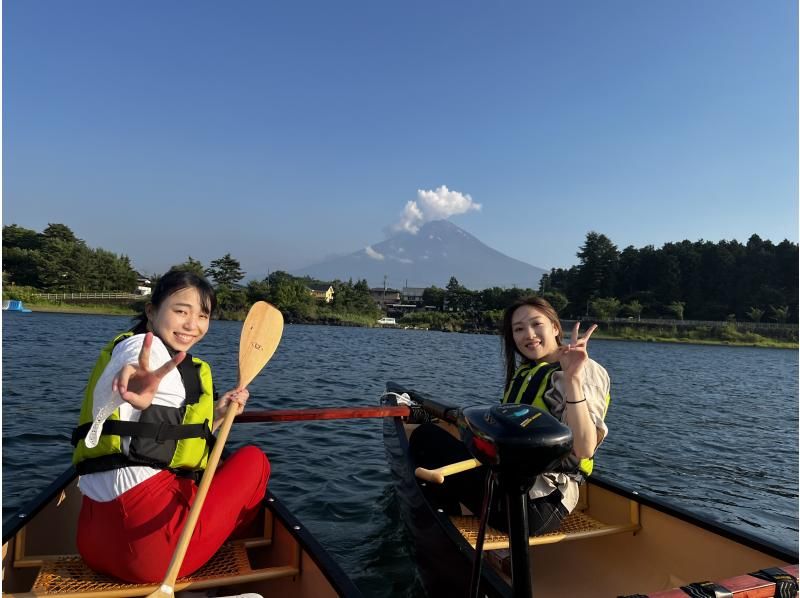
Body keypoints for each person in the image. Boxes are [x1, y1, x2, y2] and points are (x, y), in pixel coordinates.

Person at [71, 270, 271, 583]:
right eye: (181, 311)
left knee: (198, 472)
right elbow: (136, 363)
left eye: (203, 315)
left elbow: (167, 435)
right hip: (149, 553)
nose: (193, 325)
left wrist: (217, 414)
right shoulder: (141, 350)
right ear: (151, 311)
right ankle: (220, 554)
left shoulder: (126, 347)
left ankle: (198, 545)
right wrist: (135, 374)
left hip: (93, 544)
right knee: (253, 460)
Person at [409, 295, 610, 536]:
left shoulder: (583, 369)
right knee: (443, 432)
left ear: (555, 328)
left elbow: (584, 448)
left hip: (539, 502)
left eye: (537, 324)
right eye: (519, 329)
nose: (529, 334)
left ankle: (448, 513)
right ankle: (453, 509)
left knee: (426, 437)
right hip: (510, 483)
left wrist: (573, 379)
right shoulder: (528, 370)